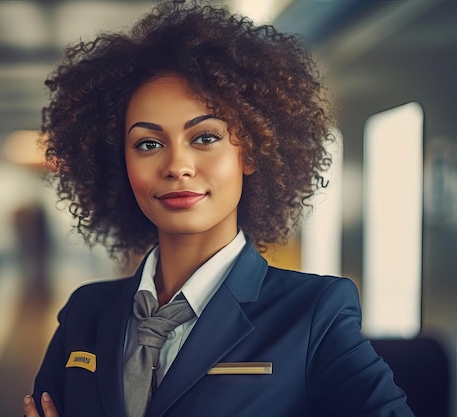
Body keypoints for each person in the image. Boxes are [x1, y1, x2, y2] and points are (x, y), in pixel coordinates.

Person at [23, 1, 415, 416]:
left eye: (205, 137)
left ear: (251, 153)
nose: (176, 166)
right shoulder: (86, 312)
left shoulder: (314, 314)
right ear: (120, 163)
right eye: (148, 144)